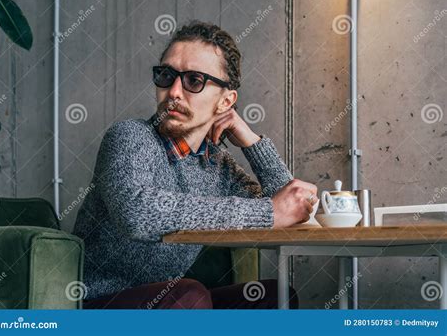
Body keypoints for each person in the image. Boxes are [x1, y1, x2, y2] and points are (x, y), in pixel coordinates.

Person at [73, 21, 317, 309]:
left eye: (193, 80)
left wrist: (251, 142)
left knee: (275, 298)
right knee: (190, 296)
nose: (174, 92)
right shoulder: (130, 136)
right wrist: (269, 212)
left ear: (226, 101)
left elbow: (294, 208)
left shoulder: (217, 165)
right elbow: (136, 213)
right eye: (167, 75)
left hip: (170, 303)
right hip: (99, 302)